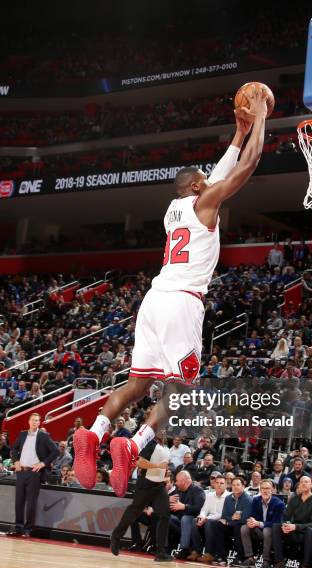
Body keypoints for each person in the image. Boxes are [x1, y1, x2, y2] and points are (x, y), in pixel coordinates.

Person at [73, 88, 268, 497]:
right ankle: (134, 442)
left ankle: (94, 433)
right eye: (204, 179)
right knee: (178, 392)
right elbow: (246, 167)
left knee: (137, 382)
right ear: (198, 185)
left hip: (153, 299)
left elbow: (216, 174)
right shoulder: (205, 202)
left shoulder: (173, 210)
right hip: (182, 302)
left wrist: (237, 132)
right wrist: (262, 117)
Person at [110, 431, 173, 562]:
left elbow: (163, 465)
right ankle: (116, 536)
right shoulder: (150, 443)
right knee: (133, 512)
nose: (164, 431)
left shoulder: (166, 447)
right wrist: (157, 466)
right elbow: (139, 462)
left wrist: (165, 475)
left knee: (165, 514)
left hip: (159, 486)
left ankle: (160, 552)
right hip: (145, 484)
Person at [9, 413, 58, 536]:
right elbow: (14, 449)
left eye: (37, 420)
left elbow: (55, 451)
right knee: (19, 501)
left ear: (39, 422)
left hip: (34, 473)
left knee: (31, 503)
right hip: (21, 472)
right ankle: (18, 528)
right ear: (29, 421)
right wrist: (16, 461)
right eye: (33, 420)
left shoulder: (44, 436)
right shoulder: (22, 434)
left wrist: (43, 463)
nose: (35, 422)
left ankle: (28, 530)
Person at [271, 475, 312, 568]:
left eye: (306, 482)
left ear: (311, 485)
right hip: (293, 531)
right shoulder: (294, 499)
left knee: (310, 531)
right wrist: (285, 525)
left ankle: (305, 567)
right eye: (301, 482)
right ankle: (279, 563)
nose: (303, 483)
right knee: (276, 527)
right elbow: (285, 516)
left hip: (306, 534)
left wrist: (296, 526)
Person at [198, 476, 252, 564]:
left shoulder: (248, 499)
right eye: (233, 485)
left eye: (238, 485)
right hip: (231, 524)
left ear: (243, 486)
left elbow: (245, 519)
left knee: (238, 527)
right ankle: (220, 556)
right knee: (217, 525)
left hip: (241, 525)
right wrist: (231, 518)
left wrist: (228, 521)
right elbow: (224, 516)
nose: (235, 487)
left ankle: (240, 557)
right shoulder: (228, 498)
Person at [241, 479, 285, 568]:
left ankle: (266, 560)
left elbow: (276, 522)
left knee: (267, 530)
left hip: (272, 532)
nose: (265, 491)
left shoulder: (279, 504)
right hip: (258, 530)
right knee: (244, 528)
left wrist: (259, 523)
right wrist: (251, 521)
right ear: (260, 490)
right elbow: (252, 515)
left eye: (268, 488)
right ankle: (250, 557)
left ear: (272, 489)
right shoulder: (256, 500)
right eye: (263, 488)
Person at [187, 475, 229, 562]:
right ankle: (196, 551)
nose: (219, 485)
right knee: (195, 520)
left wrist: (206, 518)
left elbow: (222, 514)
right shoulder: (209, 495)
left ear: (226, 485)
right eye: (217, 483)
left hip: (220, 522)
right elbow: (204, 509)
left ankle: (209, 553)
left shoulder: (229, 496)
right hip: (208, 520)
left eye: (221, 483)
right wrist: (202, 516)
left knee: (210, 522)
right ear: (214, 484)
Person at [169, 471, 206, 559]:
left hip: (194, 521)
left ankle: (184, 549)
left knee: (186, 519)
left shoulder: (198, 490)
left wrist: (184, 507)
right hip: (180, 521)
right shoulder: (179, 490)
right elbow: (174, 507)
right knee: (166, 517)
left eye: (177, 481)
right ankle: (164, 548)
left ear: (183, 482)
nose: (175, 483)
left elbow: (200, 509)